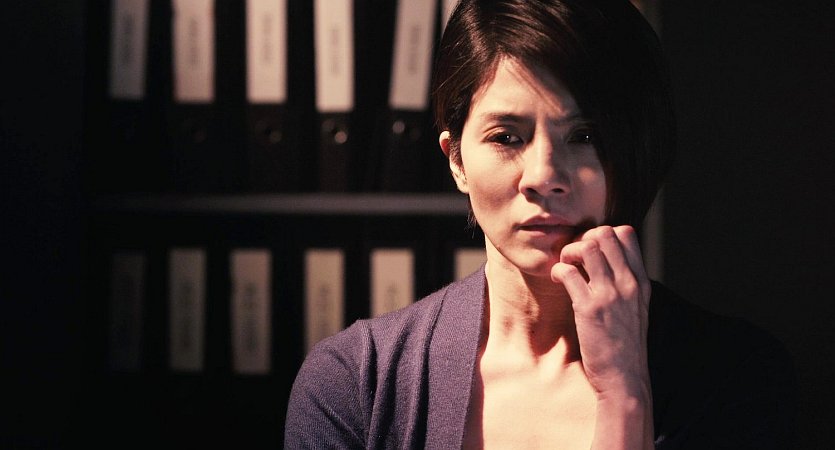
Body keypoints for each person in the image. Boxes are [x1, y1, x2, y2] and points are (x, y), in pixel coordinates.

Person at [284, 0, 797, 448]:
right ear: (456, 159)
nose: (544, 176)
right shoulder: (355, 384)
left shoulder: (739, 376)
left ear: (639, 152)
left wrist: (625, 395)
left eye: (586, 136)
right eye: (506, 137)